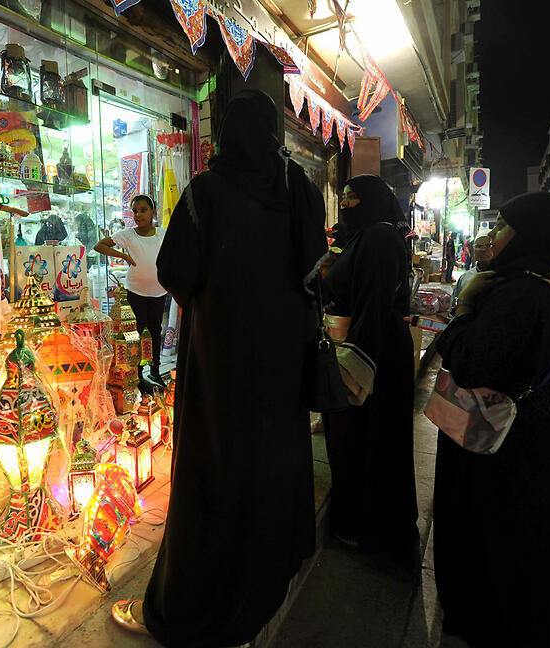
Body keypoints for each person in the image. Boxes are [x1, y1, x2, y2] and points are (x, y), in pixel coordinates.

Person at [110, 90, 326, 646]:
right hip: (282, 362)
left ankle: (189, 604)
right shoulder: (298, 188)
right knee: (270, 462)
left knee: (214, 470)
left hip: (222, 362)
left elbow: (174, 271)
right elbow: (312, 272)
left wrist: (220, 297)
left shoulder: (206, 192)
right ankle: (264, 581)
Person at [433, 193, 550, 647]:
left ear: (532, 236)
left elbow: (469, 361)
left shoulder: (522, 294)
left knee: (495, 558)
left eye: (504, 227)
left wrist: (464, 306)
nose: (492, 235)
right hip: (532, 455)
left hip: (503, 460)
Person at [319, 175, 419, 561]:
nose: (346, 202)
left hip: (371, 354)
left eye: (354, 197)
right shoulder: (360, 237)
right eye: (343, 196)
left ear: (375, 201)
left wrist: (353, 366)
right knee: (358, 443)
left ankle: (370, 530)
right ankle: (362, 524)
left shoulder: (378, 238)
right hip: (362, 347)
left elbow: (374, 304)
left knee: (368, 443)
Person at [93, 194, 168, 386]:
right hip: (136, 292)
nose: (138, 215)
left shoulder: (162, 233)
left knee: (154, 332)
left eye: (143, 210)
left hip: (159, 292)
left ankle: (156, 371)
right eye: (135, 211)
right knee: (136, 333)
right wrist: (123, 256)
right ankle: (138, 374)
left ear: (153, 212)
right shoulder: (128, 235)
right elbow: (99, 245)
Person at [449, 234, 493, 317]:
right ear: (473, 250)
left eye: (488, 246)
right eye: (479, 246)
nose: (483, 249)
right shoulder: (465, 278)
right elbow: (454, 307)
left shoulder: (504, 278)